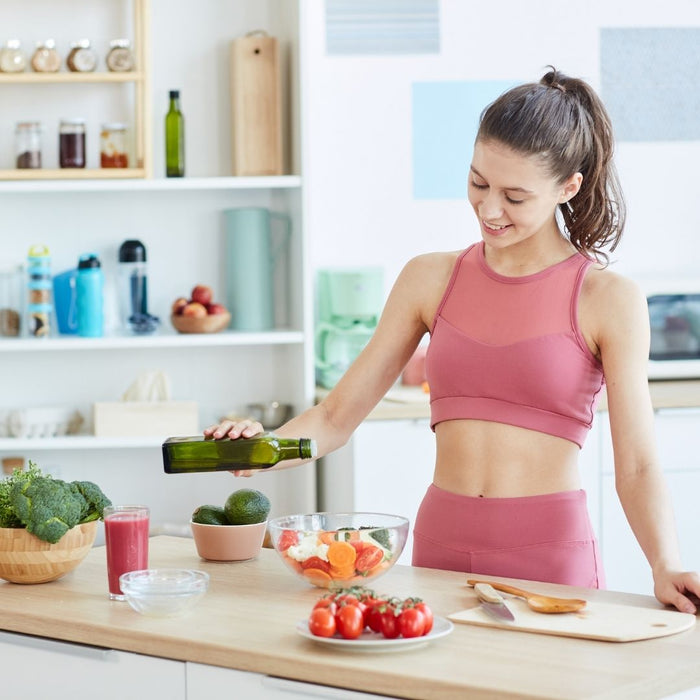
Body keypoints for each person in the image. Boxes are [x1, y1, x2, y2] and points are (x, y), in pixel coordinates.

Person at [206, 68, 700, 614]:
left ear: (568, 187)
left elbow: (637, 466)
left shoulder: (608, 299)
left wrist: (665, 564)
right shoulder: (429, 278)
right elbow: (334, 418)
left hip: (550, 557)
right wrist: (259, 451)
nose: (489, 209)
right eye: (478, 183)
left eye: (514, 196)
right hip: (440, 547)